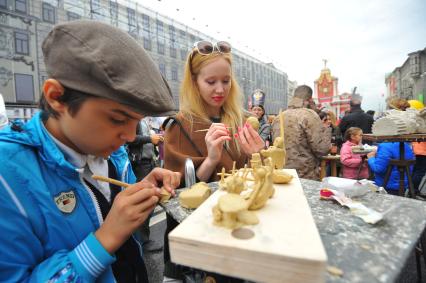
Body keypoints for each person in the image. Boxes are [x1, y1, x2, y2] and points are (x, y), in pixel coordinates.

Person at [0, 20, 181, 282]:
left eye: (136, 120)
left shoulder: (111, 152)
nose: (130, 136)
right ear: (56, 97)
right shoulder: (7, 175)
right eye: (117, 119)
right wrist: (105, 239)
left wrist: (141, 189)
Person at [163, 40, 265, 282]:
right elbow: (175, 197)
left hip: (239, 232)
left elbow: (254, 184)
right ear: (195, 83)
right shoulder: (179, 125)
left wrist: (258, 158)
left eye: (226, 81)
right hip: (202, 242)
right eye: (211, 82)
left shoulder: (240, 121)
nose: (220, 89)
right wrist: (210, 160)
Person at [271, 85, 331, 180]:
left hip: (282, 175)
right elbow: (322, 150)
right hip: (305, 176)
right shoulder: (309, 115)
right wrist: (327, 129)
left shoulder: (278, 117)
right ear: (310, 99)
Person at [126, 117, 164, 250]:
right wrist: (150, 139)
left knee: (151, 200)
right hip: (140, 165)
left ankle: (142, 239)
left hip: (149, 163)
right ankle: (143, 241)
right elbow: (129, 139)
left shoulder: (145, 120)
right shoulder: (135, 119)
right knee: (145, 201)